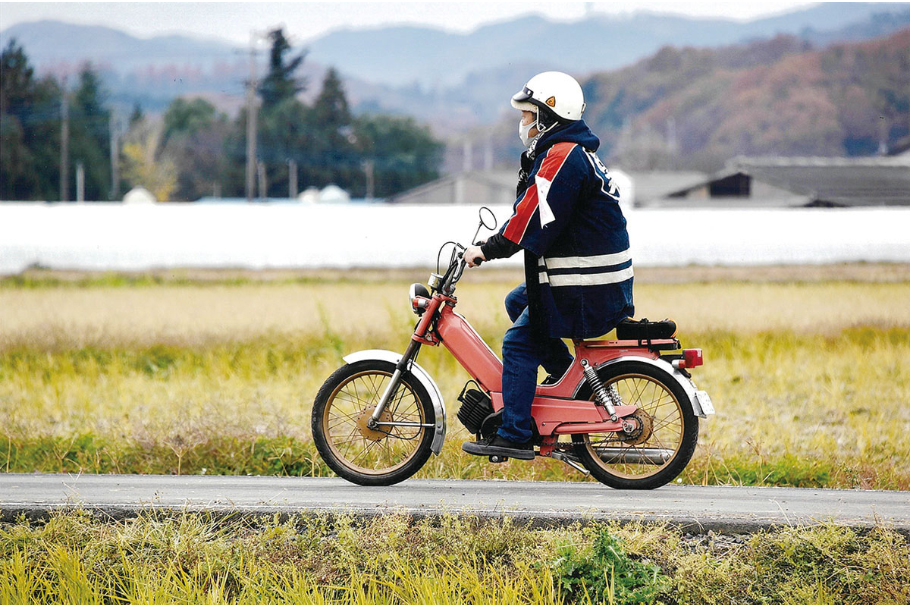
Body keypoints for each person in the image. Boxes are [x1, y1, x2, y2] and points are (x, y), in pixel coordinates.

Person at [461, 71, 634, 461]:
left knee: (518, 344)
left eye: (527, 116)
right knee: (516, 302)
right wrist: (497, 241)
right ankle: (564, 381)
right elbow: (530, 213)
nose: (522, 124)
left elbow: (531, 221)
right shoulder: (571, 152)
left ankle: (516, 433)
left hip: (587, 286)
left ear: (548, 115)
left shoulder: (562, 157)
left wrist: (486, 250)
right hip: (597, 281)